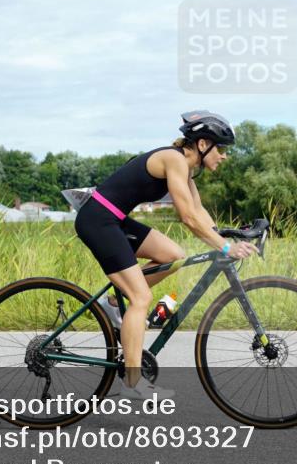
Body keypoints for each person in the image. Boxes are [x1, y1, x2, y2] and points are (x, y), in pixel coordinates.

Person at [74, 111, 258, 400]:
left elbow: (198, 212)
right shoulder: (174, 160)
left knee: (173, 254)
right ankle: (133, 383)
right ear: (202, 145)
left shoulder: (186, 169)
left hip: (113, 219)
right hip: (98, 221)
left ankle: (111, 304)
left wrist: (226, 237)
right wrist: (223, 248)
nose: (224, 156)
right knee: (141, 299)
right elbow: (186, 216)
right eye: (221, 149)